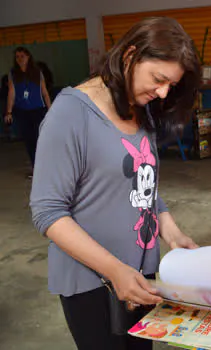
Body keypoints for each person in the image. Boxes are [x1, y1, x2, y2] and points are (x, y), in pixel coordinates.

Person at [30, 17, 200, 350]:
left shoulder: (141, 107)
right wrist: (114, 270)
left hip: (140, 273)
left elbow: (141, 182)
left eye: (171, 85)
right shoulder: (70, 114)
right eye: (158, 79)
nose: (163, 91)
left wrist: (172, 232)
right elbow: (48, 211)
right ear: (129, 56)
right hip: (94, 282)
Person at [4, 47, 52, 175]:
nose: (19, 59)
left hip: (38, 110)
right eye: (17, 57)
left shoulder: (37, 72)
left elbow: (44, 92)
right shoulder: (13, 73)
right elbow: (11, 93)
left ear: (28, 57)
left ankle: (46, 166)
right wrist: (8, 112)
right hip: (22, 112)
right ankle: (36, 168)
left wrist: (51, 109)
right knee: (29, 140)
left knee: (39, 139)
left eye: (22, 56)